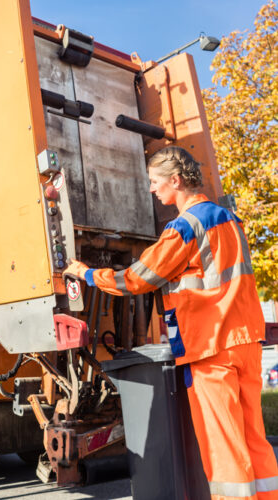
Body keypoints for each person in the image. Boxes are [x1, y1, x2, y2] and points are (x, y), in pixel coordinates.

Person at [64, 146, 278, 499]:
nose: (152, 189)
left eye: (155, 181)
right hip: (246, 342)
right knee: (253, 436)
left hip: (212, 350)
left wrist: (87, 274)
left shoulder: (185, 227)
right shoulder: (230, 220)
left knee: (224, 446)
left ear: (175, 181)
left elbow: (136, 279)